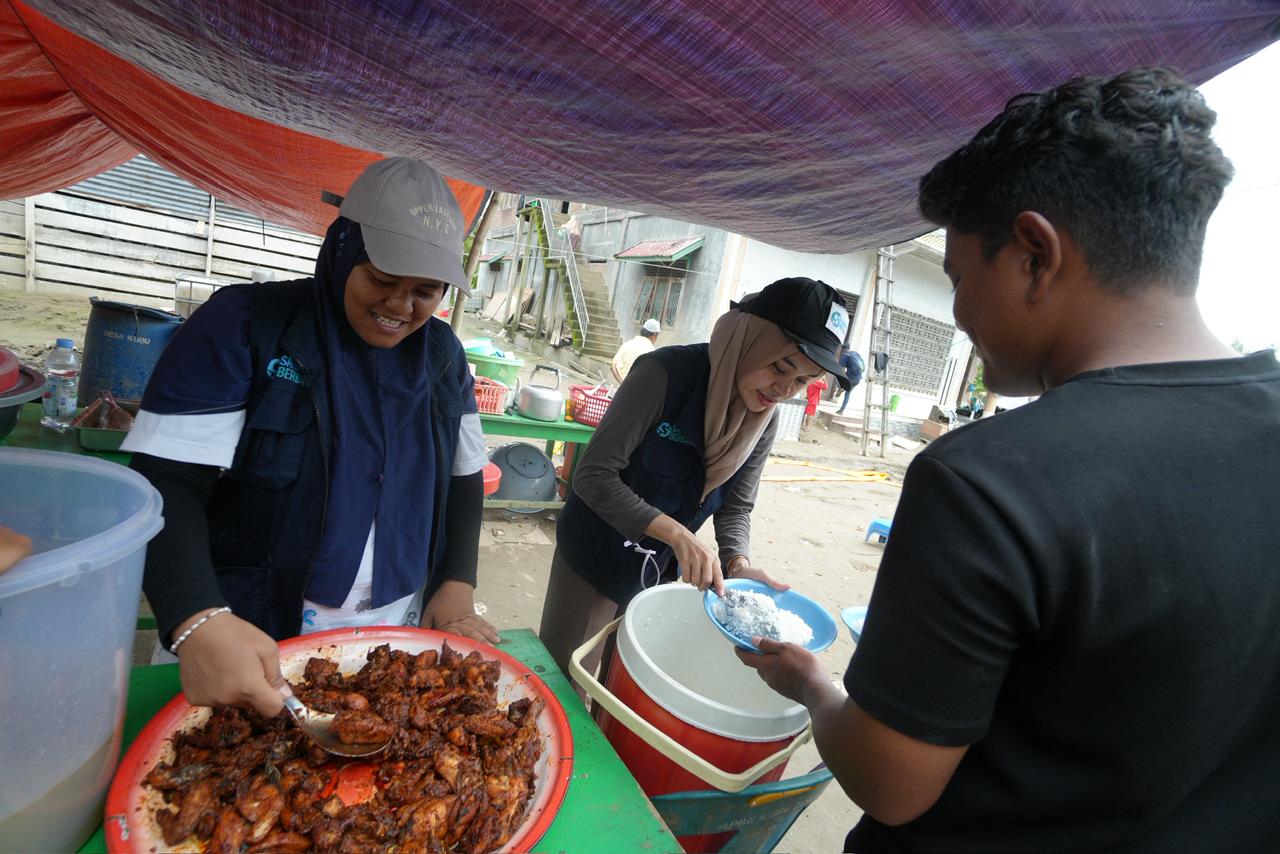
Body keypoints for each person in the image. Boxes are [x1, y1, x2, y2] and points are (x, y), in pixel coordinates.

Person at [736, 67, 1280, 851]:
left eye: (960, 277)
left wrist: (816, 688)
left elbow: (891, 785)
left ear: (1033, 254)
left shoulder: (986, 481)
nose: (960, 314)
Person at [124, 157, 499, 719]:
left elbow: (464, 476)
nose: (401, 306)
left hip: (392, 631)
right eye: (381, 279)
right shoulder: (248, 326)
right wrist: (195, 617)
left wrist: (456, 580)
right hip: (248, 634)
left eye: (425, 290)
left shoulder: (443, 356)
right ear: (341, 249)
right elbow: (166, 483)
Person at [540, 277, 852, 675]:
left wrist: (738, 564)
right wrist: (678, 534)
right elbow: (594, 476)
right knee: (568, 677)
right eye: (780, 366)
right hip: (594, 555)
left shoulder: (763, 420)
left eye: (803, 381)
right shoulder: (664, 374)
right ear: (749, 340)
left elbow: (736, 506)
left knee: (624, 681)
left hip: (657, 570)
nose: (784, 390)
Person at [610, 317, 661, 383]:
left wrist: (622, 383)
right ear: (654, 335)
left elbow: (613, 366)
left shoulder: (628, 344)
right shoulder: (652, 352)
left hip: (622, 388)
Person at [835, 347, 864, 414]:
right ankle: (841, 410)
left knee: (835, 375)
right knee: (847, 394)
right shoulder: (856, 355)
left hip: (849, 378)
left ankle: (840, 387)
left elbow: (840, 366)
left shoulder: (846, 355)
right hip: (857, 379)